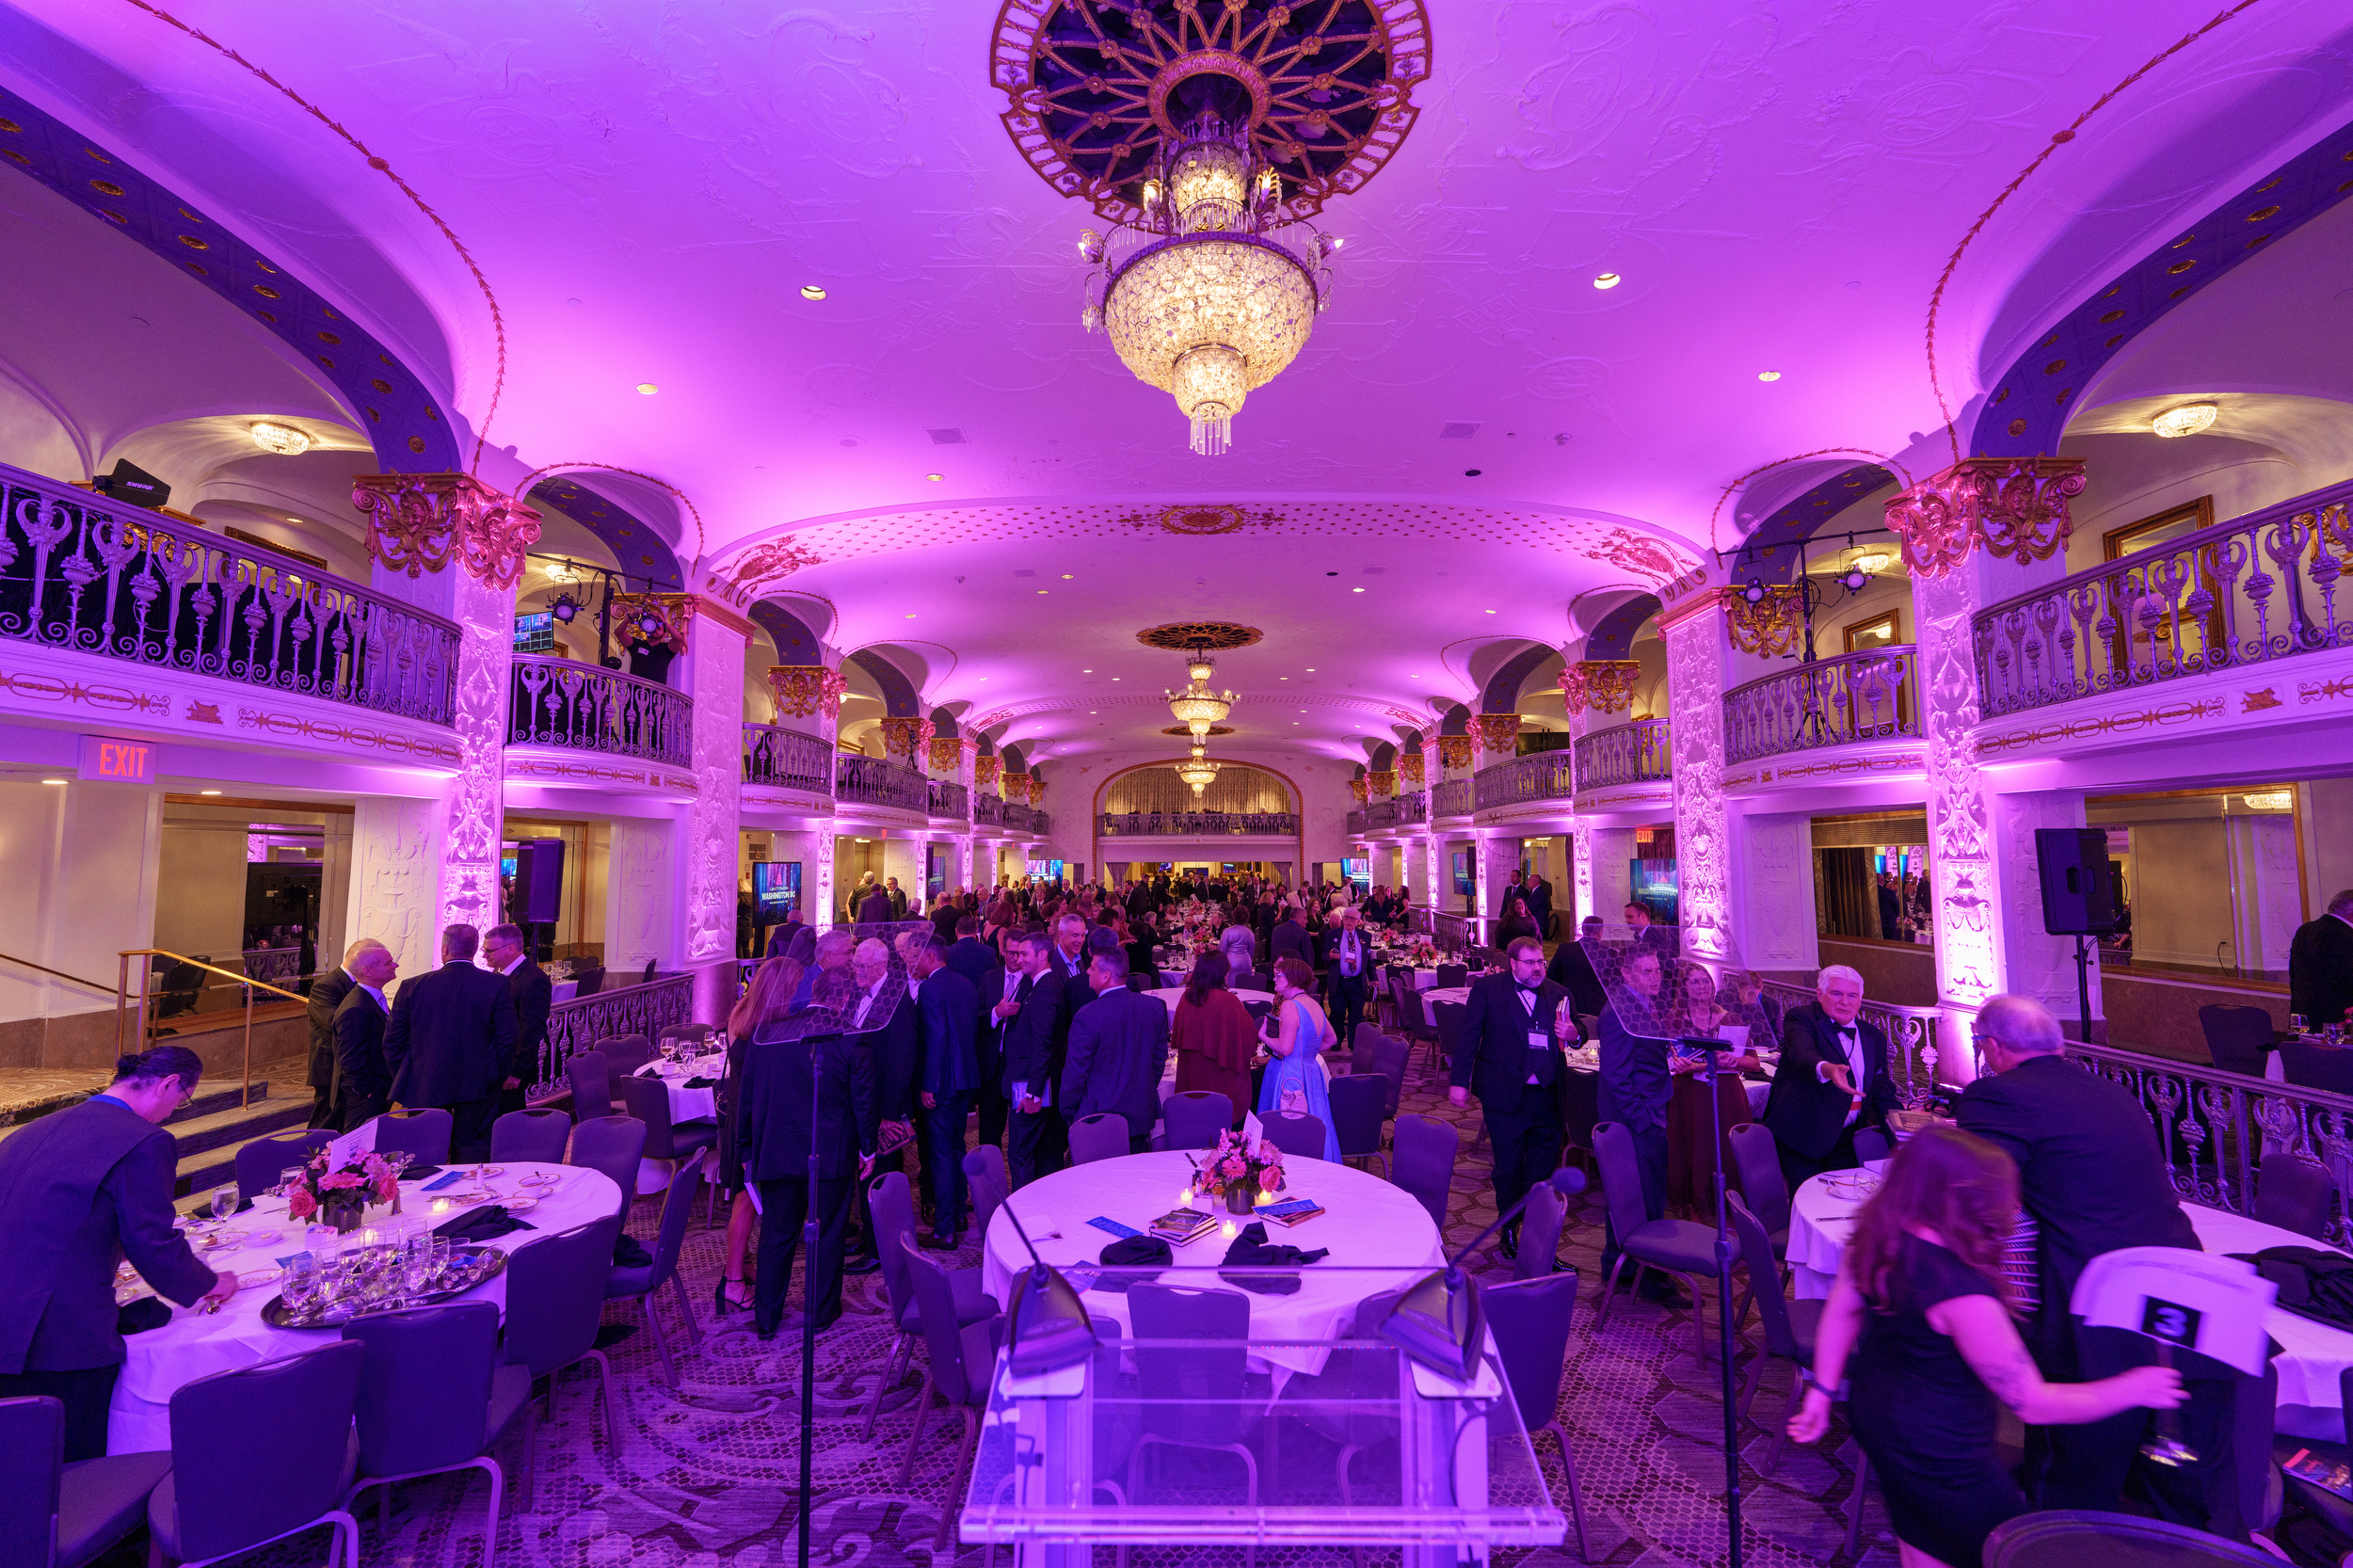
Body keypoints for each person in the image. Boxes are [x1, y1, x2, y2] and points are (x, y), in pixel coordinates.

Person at [1791, 1124, 2185, 1568]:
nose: (2009, 1206)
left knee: (1922, 1540)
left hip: (1877, 1415)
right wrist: (2136, 1388)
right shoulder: (1961, 1294)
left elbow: (1843, 1312)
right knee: (2007, 1550)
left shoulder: (1878, 1237)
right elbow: (2033, 1404)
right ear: (1959, 1196)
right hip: (1939, 1451)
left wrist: (1823, 1391)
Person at [1954, 994, 2247, 1534]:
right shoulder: (2114, 1091)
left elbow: (1977, 1197)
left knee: (2074, 1489)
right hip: (2188, 1300)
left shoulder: (1996, 1097)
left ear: (1992, 1048)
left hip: (2097, 1314)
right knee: (2196, 1492)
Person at [0, 1046, 236, 1459]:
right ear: (169, 1085)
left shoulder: (34, 1130)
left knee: (14, 1458)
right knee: (67, 1462)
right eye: (182, 1101)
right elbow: (152, 1241)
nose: (173, 1112)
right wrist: (211, 1283)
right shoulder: (144, 1140)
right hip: (59, 1329)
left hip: (10, 1313)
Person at [741, 974, 876, 1339]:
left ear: (813, 993)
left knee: (776, 1235)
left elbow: (748, 1095)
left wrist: (745, 1147)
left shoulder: (769, 1034)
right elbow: (862, 1102)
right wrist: (868, 1148)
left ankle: (766, 1318)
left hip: (777, 1150)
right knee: (829, 1233)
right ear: (845, 997)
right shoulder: (850, 1036)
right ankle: (820, 1313)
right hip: (829, 1153)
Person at [1448, 936, 1577, 1266]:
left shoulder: (1559, 993)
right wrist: (1459, 1082)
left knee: (1542, 1174)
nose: (1538, 968)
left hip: (1548, 1097)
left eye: (1541, 962)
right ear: (1513, 963)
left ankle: (1538, 1240)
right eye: (1531, 963)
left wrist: (1575, 1035)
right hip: (1504, 1096)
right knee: (1508, 1169)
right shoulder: (1488, 990)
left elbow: (1576, 1037)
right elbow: (1468, 1037)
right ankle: (1508, 1230)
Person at [1593, 942, 1687, 1305]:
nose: (1656, 978)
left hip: (1646, 1110)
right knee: (1642, 1198)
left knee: (1633, 1195)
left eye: (1658, 971)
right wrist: (1643, 1119)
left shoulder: (1641, 1004)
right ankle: (1647, 1278)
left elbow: (1641, 1056)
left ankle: (1619, 1267)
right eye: (1647, 972)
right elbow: (1615, 1075)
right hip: (1635, 1120)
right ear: (1627, 974)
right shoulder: (1619, 1009)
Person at [383, 923, 518, 1160]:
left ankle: (427, 1195)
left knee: (425, 1149)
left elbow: (393, 1040)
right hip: (479, 1082)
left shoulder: (412, 986)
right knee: (473, 1148)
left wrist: (408, 1075)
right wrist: (494, 1073)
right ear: (475, 950)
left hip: (426, 1081)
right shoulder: (496, 984)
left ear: (444, 950)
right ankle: (469, 1196)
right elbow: (507, 1036)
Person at [714, 955, 803, 1315]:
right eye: (796, 984)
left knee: (744, 1197)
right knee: (747, 1201)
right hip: (753, 1119)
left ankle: (740, 1264)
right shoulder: (769, 1026)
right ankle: (733, 1281)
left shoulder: (742, 1011)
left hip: (738, 1115)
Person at [1762, 964, 1902, 1188]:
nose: (1844, 1001)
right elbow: (1802, 1053)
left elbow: (1883, 1092)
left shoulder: (1873, 1036)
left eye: (1852, 995)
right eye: (1836, 993)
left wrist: (1905, 1137)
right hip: (1802, 1136)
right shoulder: (1801, 1018)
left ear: (1860, 998)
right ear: (1820, 993)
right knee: (1811, 1202)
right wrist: (1828, 1068)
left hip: (1846, 1141)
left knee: (1847, 1203)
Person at [1660, 960, 1761, 1219]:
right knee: (1695, 1147)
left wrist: (1733, 1061)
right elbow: (1669, 1062)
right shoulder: (1673, 1021)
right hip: (1691, 1096)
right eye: (1694, 981)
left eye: (1705, 980)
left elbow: (1753, 1062)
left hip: (1727, 1094)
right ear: (1683, 987)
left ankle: (1733, 1205)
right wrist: (1681, 1064)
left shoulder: (1732, 1018)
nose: (1702, 986)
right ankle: (1697, 1208)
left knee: (1727, 1146)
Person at [1061, 952, 1170, 1152]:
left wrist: (1068, 1111)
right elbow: (1158, 1060)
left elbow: (1075, 1073)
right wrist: (1142, 1090)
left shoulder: (1087, 1016)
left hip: (1098, 1119)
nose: (1088, 972)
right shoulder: (1153, 1007)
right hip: (1140, 1112)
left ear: (1106, 976)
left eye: (1092, 968)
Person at [911, 936, 980, 1248]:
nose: (912, 962)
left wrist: (929, 1084)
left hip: (941, 1083)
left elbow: (936, 1039)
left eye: (915, 956)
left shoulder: (928, 989)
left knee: (940, 1155)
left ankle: (944, 1231)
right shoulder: (965, 983)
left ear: (929, 957)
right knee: (956, 1147)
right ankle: (960, 1216)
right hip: (966, 1079)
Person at [999, 931, 1070, 1188]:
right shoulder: (1037, 985)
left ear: (1042, 955)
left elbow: (1043, 1045)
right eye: (1016, 954)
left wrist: (1033, 1094)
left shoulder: (1045, 990)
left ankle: (1022, 1212)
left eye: (1025, 954)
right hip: (1035, 1082)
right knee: (1042, 1153)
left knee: (1020, 1153)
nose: (1019, 959)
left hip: (1033, 1087)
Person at [1257, 956, 1341, 1160]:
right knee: (1315, 1124)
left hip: (1288, 1075)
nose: (1274, 978)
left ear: (1293, 979)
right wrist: (1306, 1053)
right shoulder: (1315, 1004)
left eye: (1279, 975)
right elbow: (1332, 1039)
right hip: (1311, 1073)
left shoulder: (1289, 1006)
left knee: (1284, 1130)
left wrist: (1263, 1037)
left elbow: (1285, 1049)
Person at [304, 938, 379, 1128]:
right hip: (330, 1068)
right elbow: (335, 1022)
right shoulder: (326, 986)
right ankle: (313, 1159)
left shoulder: (364, 984)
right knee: (325, 1125)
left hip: (350, 1067)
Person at [482, 922, 551, 1117]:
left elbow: (530, 1030)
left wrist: (517, 1071)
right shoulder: (499, 973)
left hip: (511, 1069)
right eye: (484, 950)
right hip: (495, 1064)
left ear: (510, 949)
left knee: (509, 1118)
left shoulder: (533, 979)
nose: (485, 955)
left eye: (490, 951)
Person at [1173, 951, 1254, 1117]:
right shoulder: (1228, 1001)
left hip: (1192, 1075)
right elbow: (1248, 1040)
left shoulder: (1187, 997)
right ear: (1222, 973)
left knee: (1194, 1119)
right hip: (1221, 1079)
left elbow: (1176, 1037)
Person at [330, 942, 399, 1128]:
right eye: (388, 963)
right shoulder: (355, 1008)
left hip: (378, 1090)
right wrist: (369, 1091)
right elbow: (350, 1059)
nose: (395, 965)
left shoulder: (371, 998)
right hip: (365, 1097)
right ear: (367, 971)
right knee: (360, 1150)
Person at [2289, 888, 2353, 1030]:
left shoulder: (2305, 929)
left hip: (2303, 1014)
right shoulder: (2345, 936)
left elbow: (2294, 973)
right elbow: (2344, 978)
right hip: (2335, 1020)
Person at [1323, 906, 1372, 1048]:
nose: (1348, 921)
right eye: (1346, 917)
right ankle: (1336, 1040)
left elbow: (1368, 960)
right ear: (1342, 919)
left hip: (1357, 983)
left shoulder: (1365, 936)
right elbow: (1323, 955)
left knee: (1356, 1015)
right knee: (1337, 1013)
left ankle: (1353, 1044)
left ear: (1358, 921)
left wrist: (1373, 977)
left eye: (1352, 918)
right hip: (1338, 982)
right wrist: (1329, 956)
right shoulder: (1332, 934)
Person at [1548, 915, 1609, 1016]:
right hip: (1598, 1010)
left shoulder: (1565, 949)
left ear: (1583, 930)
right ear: (1600, 932)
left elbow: (1551, 976)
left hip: (1570, 1006)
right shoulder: (1608, 953)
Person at [1271, 904, 1313, 971]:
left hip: (1275, 971)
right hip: (1294, 974)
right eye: (1305, 918)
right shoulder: (1303, 933)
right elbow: (1308, 957)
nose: (1307, 921)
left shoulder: (1276, 930)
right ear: (1297, 917)